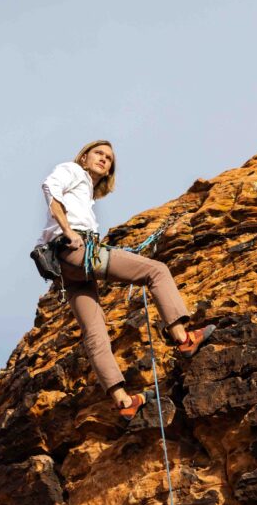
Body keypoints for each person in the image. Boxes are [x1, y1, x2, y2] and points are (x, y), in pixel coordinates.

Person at [37, 140, 213, 421]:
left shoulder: (85, 194)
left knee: (94, 331)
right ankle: (183, 337)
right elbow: (49, 187)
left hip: (66, 267)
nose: (104, 160)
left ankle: (123, 401)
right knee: (156, 271)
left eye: (109, 159)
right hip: (76, 250)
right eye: (99, 153)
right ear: (84, 157)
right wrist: (69, 231)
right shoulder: (72, 170)